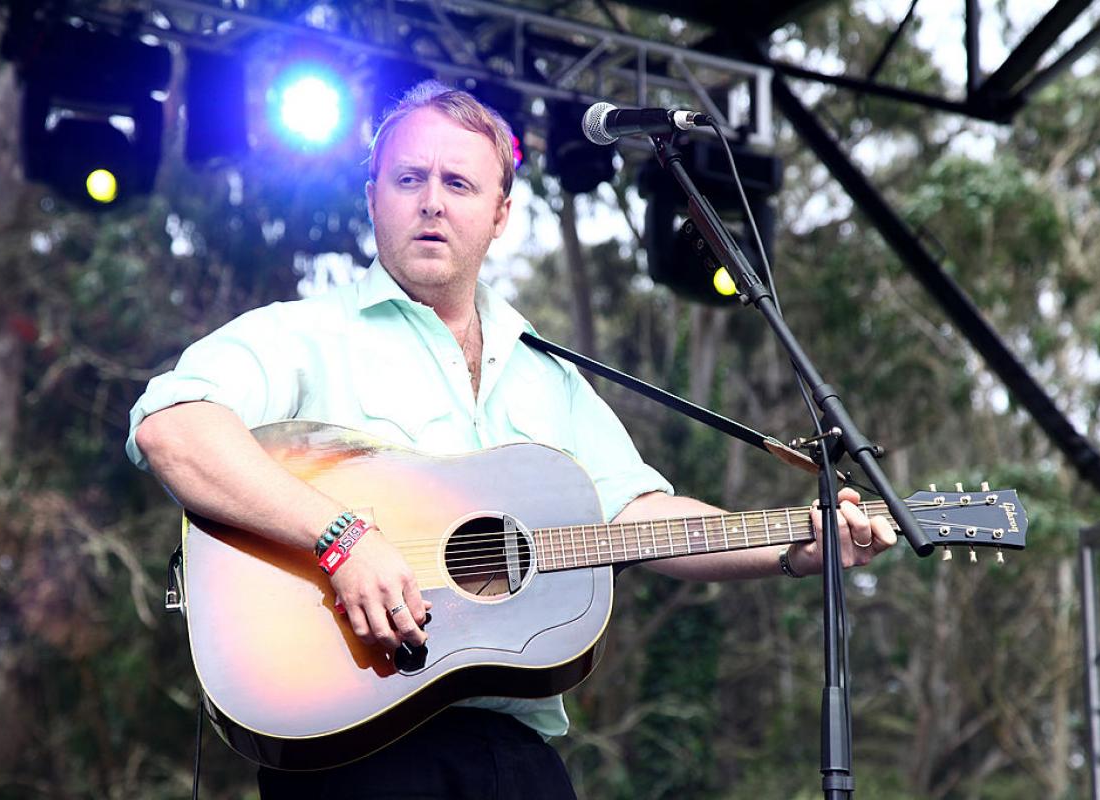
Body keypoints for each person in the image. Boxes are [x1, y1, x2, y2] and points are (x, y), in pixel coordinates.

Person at [127, 80, 896, 799]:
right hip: (350, 743)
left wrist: (798, 546)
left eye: (459, 184)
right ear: (372, 198)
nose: (432, 201)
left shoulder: (547, 374)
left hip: (518, 759)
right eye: (409, 178)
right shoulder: (303, 334)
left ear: (500, 213)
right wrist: (341, 538)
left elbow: (634, 515)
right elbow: (173, 429)